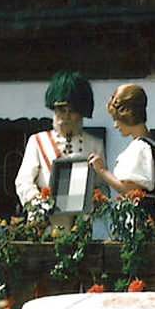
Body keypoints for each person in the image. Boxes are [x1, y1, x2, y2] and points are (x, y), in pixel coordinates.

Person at [15, 70, 106, 226]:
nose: (66, 116)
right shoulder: (37, 141)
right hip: (43, 223)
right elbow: (23, 181)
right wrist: (38, 202)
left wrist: (92, 203)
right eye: (61, 110)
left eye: (71, 110)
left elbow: (101, 186)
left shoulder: (95, 145)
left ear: (81, 113)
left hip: (80, 225)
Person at [88, 83, 155, 227]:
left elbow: (129, 189)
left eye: (116, 119)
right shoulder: (150, 145)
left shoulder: (140, 148)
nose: (115, 125)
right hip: (148, 216)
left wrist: (102, 171)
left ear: (127, 115)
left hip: (141, 220)